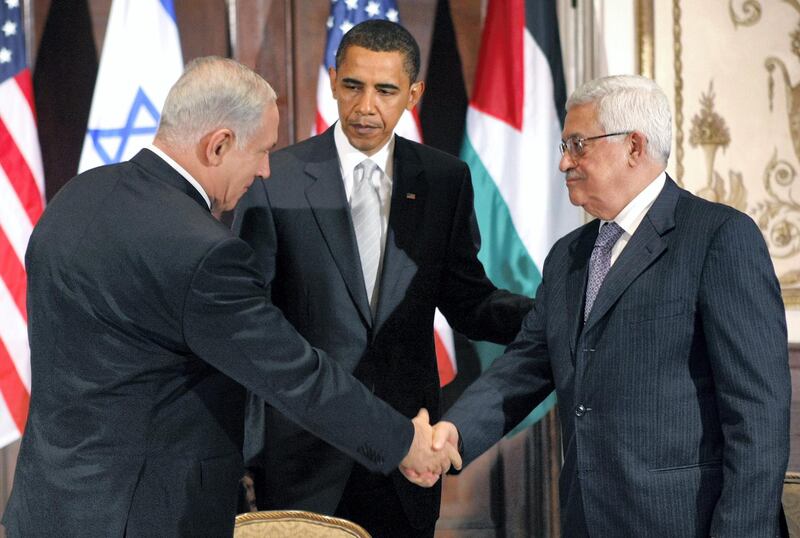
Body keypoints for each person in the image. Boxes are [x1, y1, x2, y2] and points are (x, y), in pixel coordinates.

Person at [2, 56, 460, 538]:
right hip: (143, 518)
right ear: (218, 144)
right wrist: (405, 441)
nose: (265, 170)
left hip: (44, 509)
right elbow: (297, 377)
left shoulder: (76, 197)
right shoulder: (203, 253)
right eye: (261, 151)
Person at [432, 74, 791, 537]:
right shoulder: (568, 257)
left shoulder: (719, 238)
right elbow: (527, 364)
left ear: (634, 147)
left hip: (686, 523)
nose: (563, 162)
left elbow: (758, 416)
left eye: (578, 144)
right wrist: (454, 433)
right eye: (564, 145)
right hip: (589, 519)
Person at [233, 20, 533, 538]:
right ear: (333, 80)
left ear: (413, 94)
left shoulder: (444, 180)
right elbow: (249, 330)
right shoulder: (273, 180)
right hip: (303, 460)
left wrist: (558, 312)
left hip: (406, 454)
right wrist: (249, 457)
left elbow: (467, 301)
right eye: (353, 86)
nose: (366, 105)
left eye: (386, 90)